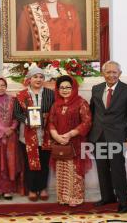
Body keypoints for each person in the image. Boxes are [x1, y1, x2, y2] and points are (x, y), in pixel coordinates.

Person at [89, 60, 127, 213]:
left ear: (119, 74)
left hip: (117, 137)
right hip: (98, 136)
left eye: (114, 72)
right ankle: (107, 196)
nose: (111, 75)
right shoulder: (96, 89)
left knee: (117, 170)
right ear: (103, 74)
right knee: (102, 169)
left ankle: (123, 201)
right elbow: (92, 112)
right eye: (108, 72)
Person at [48, 75, 92, 207]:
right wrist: (55, 135)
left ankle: (76, 197)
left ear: (74, 88)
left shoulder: (81, 102)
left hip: (76, 142)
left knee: (75, 170)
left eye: (68, 87)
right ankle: (63, 197)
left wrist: (70, 134)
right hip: (60, 142)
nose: (65, 90)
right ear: (58, 89)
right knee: (62, 169)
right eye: (62, 87)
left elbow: (87, 122)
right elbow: (50, 122)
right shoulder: (56, 104)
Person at [14, 66, 55, 201]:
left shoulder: (51, 94)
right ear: (29, 79)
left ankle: (43, 188)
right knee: (29, 163)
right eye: (35, 77)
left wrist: (47, 117)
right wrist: (27, 120)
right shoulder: (21, 95)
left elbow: (55, 111)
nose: (38, 79)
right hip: (26, 135)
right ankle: (32, 189)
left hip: (45, 135)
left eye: (41, 77)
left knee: (44, 162)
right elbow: (16, 113)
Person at [16, 0, 82, 51]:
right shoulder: (28, 11)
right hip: (39, 62)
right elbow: (21, 45)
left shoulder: (70, 11)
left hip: (67, 62)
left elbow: (77, 43)